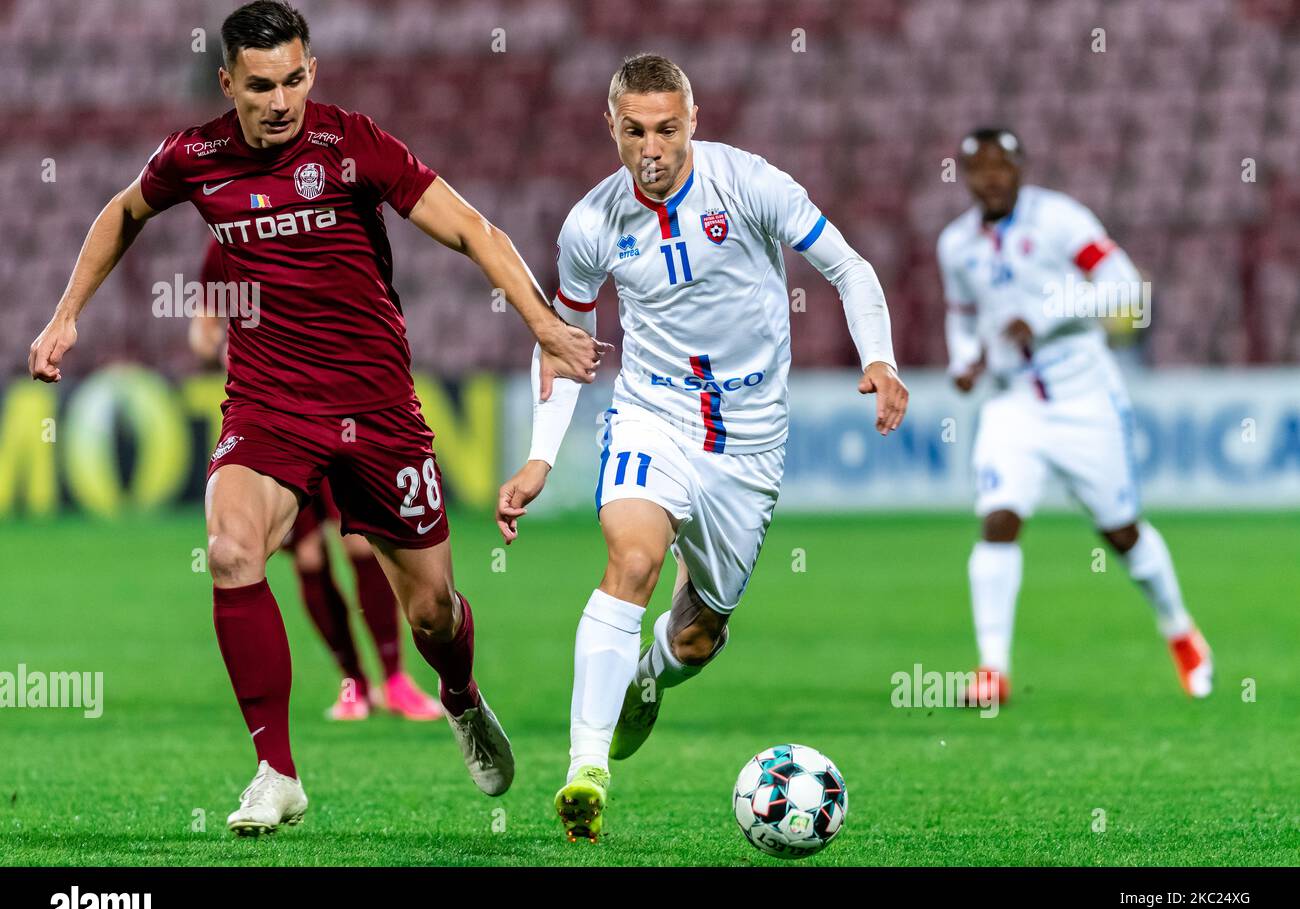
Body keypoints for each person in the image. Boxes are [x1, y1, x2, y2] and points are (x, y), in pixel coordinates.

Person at [28, 0, 607, 836]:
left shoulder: (352, 144)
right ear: (228, 83)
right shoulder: (195, 157)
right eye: (260, 84)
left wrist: (546, 326)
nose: (280, 100)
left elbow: (473, 229)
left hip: (377, 407)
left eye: (295, 78)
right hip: (268, 404)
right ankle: (277, 771)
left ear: (312, 72)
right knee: (231, 549)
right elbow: (122, 211)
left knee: (432, 612)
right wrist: (65, 313)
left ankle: (459, 694)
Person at [495, 54, 907, 842]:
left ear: (694, 121)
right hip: (654, 415)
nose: (651, 149)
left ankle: (649, 678)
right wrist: (542, 455)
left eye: (667, 129)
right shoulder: (590, 225)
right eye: (633, 130)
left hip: (750, 443)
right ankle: (587, 768)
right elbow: (564, 345)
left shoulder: (749, 184)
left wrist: (878, 359)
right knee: (633, 559)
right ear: (609, 126)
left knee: (697, 634)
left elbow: (848, 268)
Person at [936, 127, 1212, 705]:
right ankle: (993, 670)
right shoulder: (955, 245)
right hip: (1014, 402)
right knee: (998, 520)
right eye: (978, 168)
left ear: (1020, 169)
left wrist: (1044, 314)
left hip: (1085, 399)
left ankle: (1181, 631)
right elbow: (961, 316)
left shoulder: (1061, 219)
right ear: (965, 178)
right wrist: (964, 359)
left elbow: (1124, 288)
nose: (990, 177)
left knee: (1121, 532)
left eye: (1000, 166)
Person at [190, 241, 443, 722]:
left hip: (333, 406)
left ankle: (395, 679)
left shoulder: (306, 222)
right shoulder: (222, 246)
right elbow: (204, 325)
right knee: (308, 557)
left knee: (359, 546)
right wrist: (210, 341)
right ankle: (354, 683)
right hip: (270, 420)